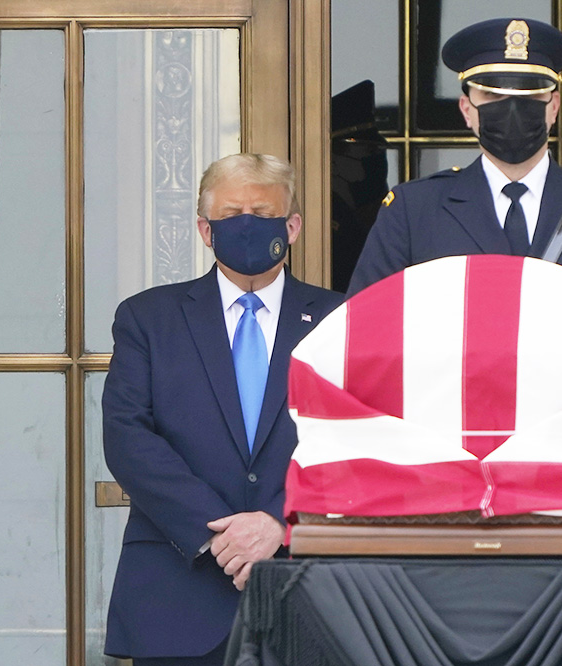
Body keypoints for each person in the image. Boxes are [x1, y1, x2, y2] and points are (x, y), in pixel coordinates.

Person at [347, 17, 562, 375]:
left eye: (530, 94)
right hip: (452, 424)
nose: (512, 106)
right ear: (467, 109)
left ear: (553, 106)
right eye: (493, 94)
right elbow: (358, 341)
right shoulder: (413, 211)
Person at [102, 153, 344, 665]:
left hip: (309, 594)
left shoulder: (339, 319)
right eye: (231, 215)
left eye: (262, 211)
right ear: (205, 230)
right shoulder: (147, 319)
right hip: (178, 592)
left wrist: (279, 521)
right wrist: (225, 534)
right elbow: (128, 437)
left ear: (293, 226)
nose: (247, 225)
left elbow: (358, 436)